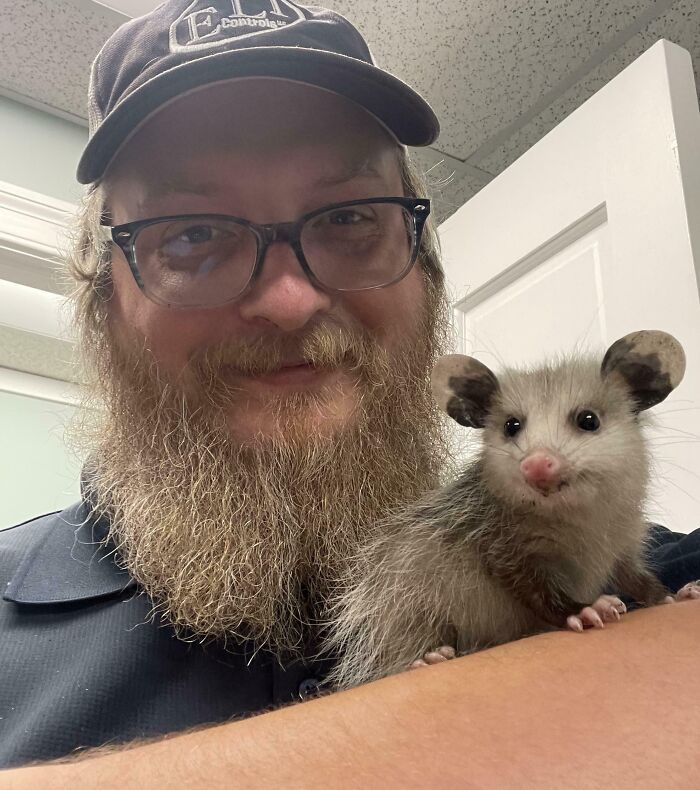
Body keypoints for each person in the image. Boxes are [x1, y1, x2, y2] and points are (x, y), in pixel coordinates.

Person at [1, 1, 699, 785]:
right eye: (192, 234)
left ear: (428, 278)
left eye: (352, 216)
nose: (290, 300)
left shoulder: (629, 558)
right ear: (102, 304)